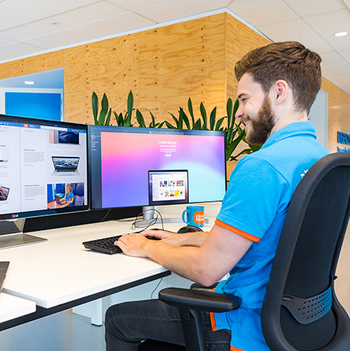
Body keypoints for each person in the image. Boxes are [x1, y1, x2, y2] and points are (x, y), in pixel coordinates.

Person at [105, 41, 328, 351]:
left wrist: (144, 246)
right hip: (298, 323)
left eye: (244, 99)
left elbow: (206, 271)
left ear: (279, 92)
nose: (238, 113)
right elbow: (275, 237)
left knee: (117, 318)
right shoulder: (318, 157)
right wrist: (187, 239)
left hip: (247, 326)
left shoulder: (262, 166)